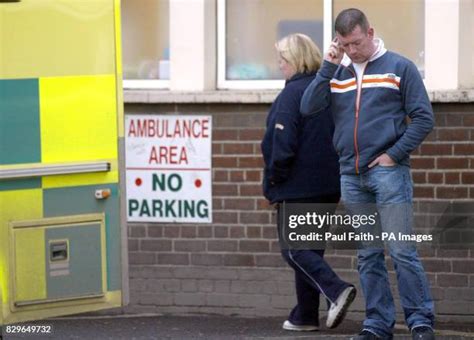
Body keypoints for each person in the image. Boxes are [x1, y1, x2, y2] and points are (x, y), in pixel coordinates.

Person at [301, 9, 435, 340]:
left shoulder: (400, 67)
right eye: (345, 45)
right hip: (351, 175)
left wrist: (394, 154)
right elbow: (307, 107)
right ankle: (377, 324)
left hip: (389, 173)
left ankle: (420, 321)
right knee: (368, 254)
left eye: (357, 43)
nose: (353, 51)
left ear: (370, 32)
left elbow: (423, 118)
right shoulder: (338, 71)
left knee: (402, 249)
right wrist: (328, 66)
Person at [261, 33, 356, 332]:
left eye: (282, 60)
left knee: (294, 250)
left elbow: (282, 144)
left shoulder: (292, 94)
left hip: (298, 186)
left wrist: (273, 183)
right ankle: (304, 315)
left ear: (295, 60)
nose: (280, 67)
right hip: (329, 185)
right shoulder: (330, 90)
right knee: (309, 251)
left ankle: (336, 290)